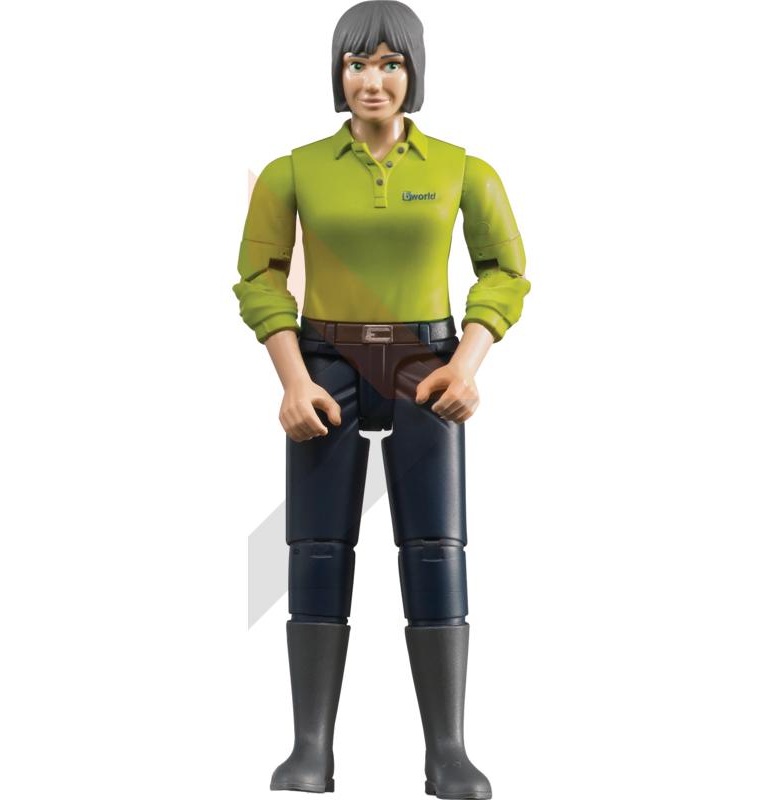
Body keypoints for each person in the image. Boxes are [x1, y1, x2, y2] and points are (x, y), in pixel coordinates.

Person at [233, 2, 530, 797]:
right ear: (337, 72)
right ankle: (310, 749)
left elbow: (505, 271)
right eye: (357, 63)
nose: (373, 80)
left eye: (390, 64)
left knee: (437, 545)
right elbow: (259, 277)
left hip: (424, 364)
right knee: (315, 547)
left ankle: (448, 751)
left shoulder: (463, 170)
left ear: (414, 71)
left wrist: (467, 364)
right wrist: (293, 378)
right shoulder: (293, 171)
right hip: (324, 357)